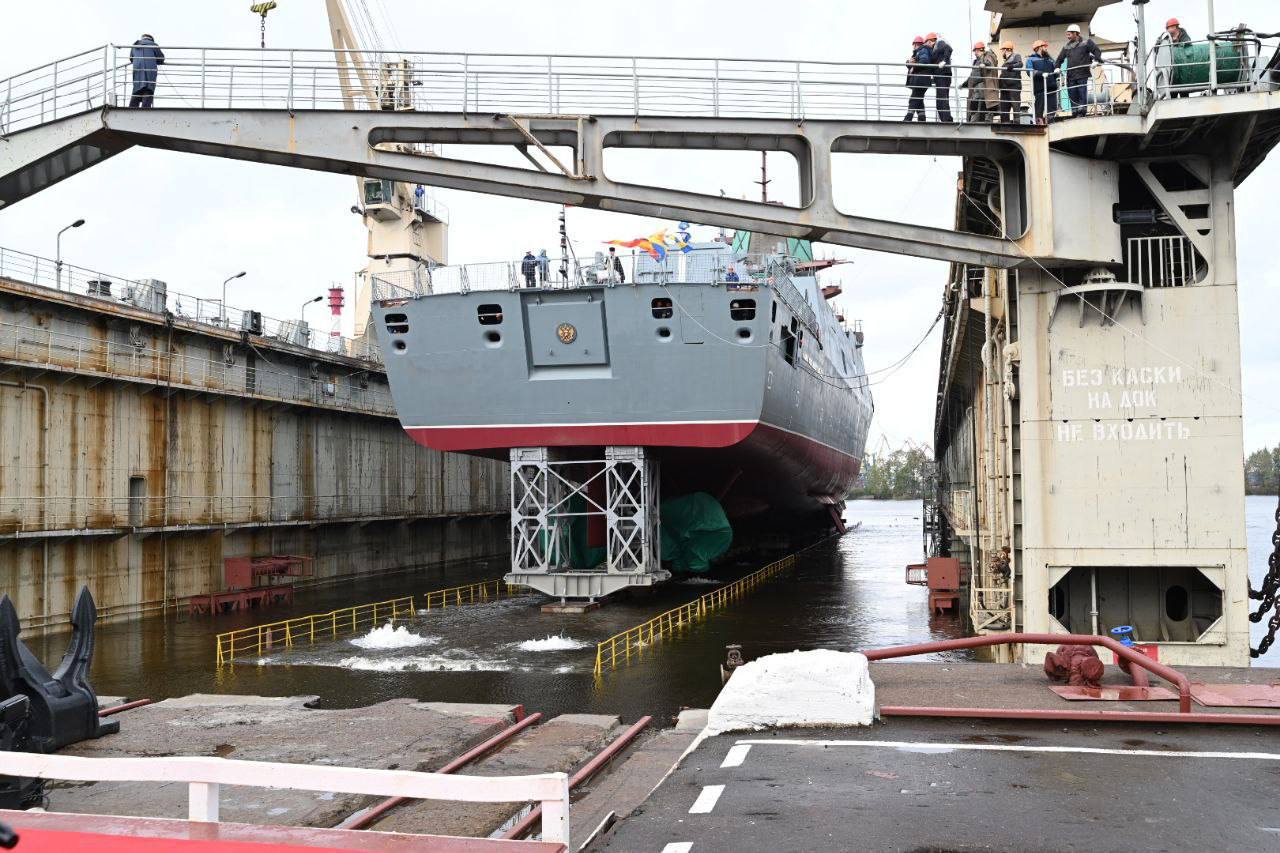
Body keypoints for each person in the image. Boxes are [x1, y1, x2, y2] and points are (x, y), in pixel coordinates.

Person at [1055, 24, 1102, 118]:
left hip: (1082, 74)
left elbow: (1096, 51)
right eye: (1067, 34)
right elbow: (1059, 59)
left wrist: (1096, 61)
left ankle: (1082, 112)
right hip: (1071, 76)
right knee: (1072, 94)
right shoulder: (1066, 47)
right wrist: (1057, 67)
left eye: (1069, 34)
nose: (1067, 36)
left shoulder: (1086, 42)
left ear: (1076, 33)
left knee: (1081, 94)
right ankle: (1075, 113)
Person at [961, 41, 1000, 123]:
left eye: (976, 51)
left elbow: (990, 63)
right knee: (974, 103)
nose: (975, 53)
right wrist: (964, 84)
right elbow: (972, 76)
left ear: (980, 50)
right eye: (975, 51)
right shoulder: (976, 62)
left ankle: (987, 120)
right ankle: (973, 121)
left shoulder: (988, 56)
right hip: (976, 88)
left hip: (984, 85)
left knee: (985, 103)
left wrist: (984, 64)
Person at [1025, 40, 1059, 124]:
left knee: (1052, 107)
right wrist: (1041, 74)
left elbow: (1056, 69)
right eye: (1044, 47)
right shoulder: (1031, 59)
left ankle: (1050, 122)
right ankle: (1039, 122)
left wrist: (1058, 73)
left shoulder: (1050, 59)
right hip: (1039, 88)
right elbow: (1030, 71)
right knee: (1039, 108)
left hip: (1051, 87)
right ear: (1039, 48)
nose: (1046, 48)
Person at [923, 33, 955, 122]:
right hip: (939, 76)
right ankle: (946, 120)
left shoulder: (939, 43)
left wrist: (944, 61)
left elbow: (949, 49)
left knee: (942, 99)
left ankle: (947, 121)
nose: (927, 45)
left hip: (943, 74)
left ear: (930, 41)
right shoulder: (934, 49)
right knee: (940, 101)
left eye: (927, 42)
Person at [129, 34, 165, 108]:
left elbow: (131, 58)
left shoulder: (135, 45)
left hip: (137, 70)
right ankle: (145, 109)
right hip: (150, 71)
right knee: (148, 89)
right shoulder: (153, 45)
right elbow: (161, 59)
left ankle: (131, 109)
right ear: (151, 39)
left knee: (137, 89)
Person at [904, 36, 931, 122]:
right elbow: (911, 66)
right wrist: (909, 63)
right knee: (919, 100)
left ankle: (908, 118)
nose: (914, 47)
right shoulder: (917, 53)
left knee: (914, 99)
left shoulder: (923, 50)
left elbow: (924, 62)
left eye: (914, 45)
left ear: (917, 44)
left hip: (921, 80)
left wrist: (914, 64)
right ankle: (922, 118)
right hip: (919, 80)